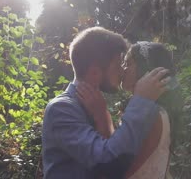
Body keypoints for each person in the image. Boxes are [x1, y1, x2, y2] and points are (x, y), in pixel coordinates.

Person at [42, 28, 171, 179]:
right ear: (96, 73)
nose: (122, 71)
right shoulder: (61, 108)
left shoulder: (95, 103)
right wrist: (141, 100)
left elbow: (112, 148)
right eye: (117, 66)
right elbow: (108, 163)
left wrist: (103, 119)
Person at [77, 42, 182, 179]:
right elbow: (115, 149)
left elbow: (115, 169)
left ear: (146, 69)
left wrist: (100, 116)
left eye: (128, 63)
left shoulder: (152, 115)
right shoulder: (148, 111)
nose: (123, 68)